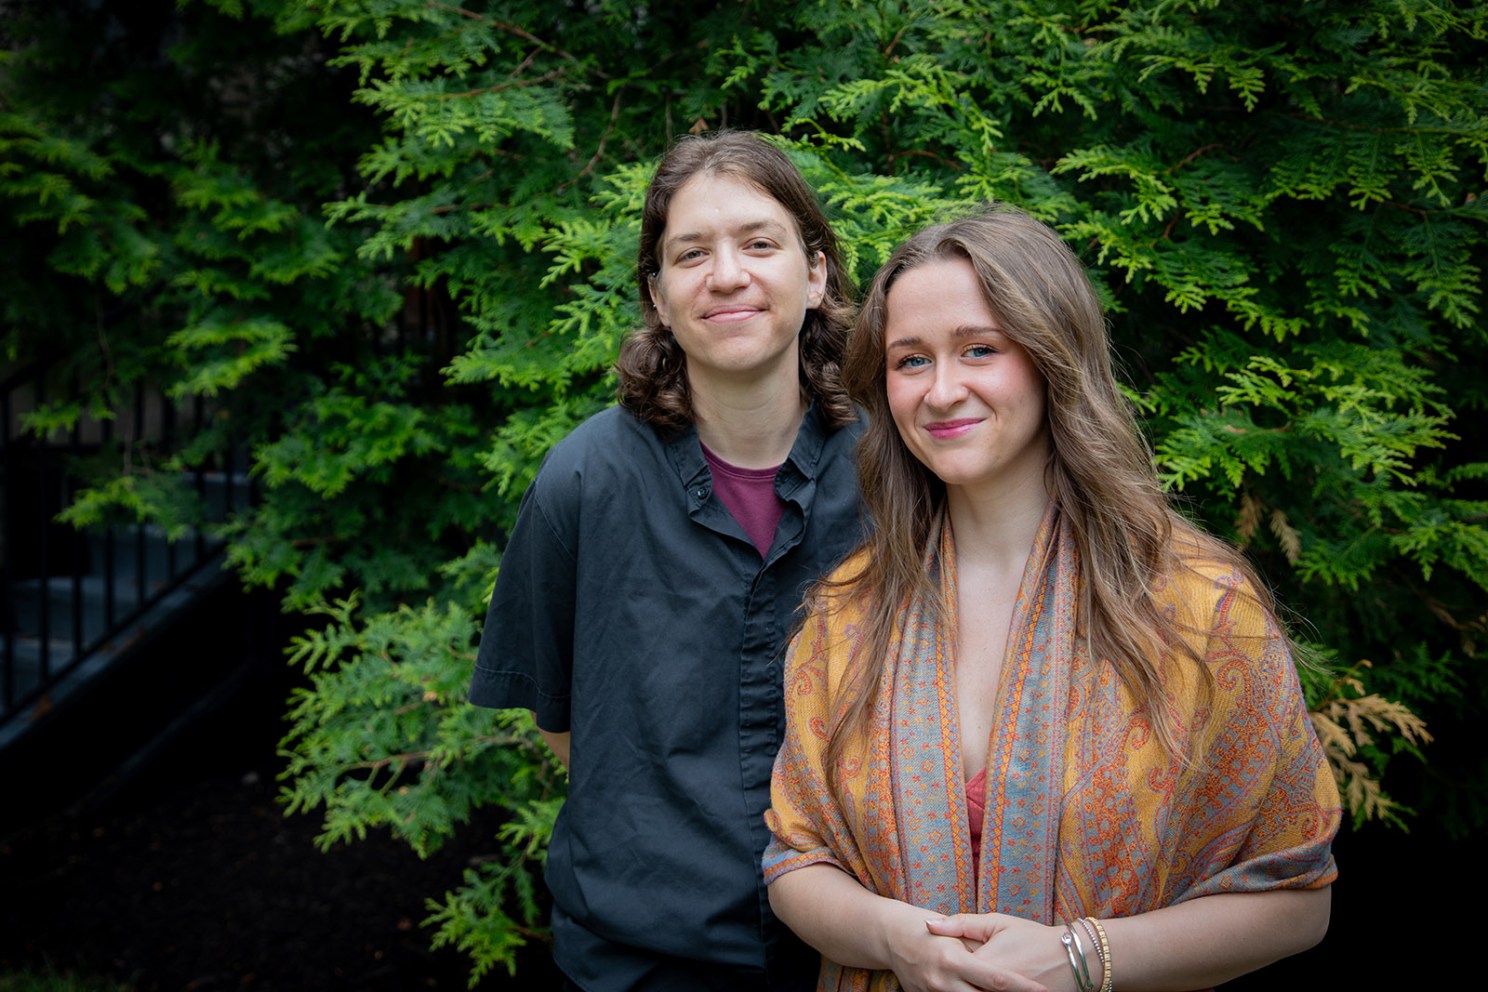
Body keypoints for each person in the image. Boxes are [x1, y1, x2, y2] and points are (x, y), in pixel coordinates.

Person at [763, 207, 1340, 992]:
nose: (942, 390)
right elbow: (796, 861)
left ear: (1050, 356)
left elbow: (1296, 898)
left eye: (980, 349)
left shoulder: (1199, 607)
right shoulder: (847, 613)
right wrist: (895, 940)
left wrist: (1079, 956)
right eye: (911, 360)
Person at [469, 130, 865, 991]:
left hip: (857, 953)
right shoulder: (582, 481)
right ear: (658, 294)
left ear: (816, 273)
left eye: (759, 244)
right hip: (642, 961)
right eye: (691, 254)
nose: (726, 275)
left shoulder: (893, 475)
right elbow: (560, 721)